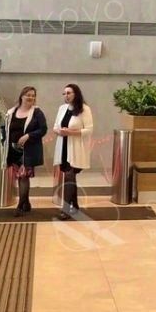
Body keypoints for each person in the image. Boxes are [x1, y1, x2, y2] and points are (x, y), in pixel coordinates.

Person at [52, 83, 94, 221]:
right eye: (64, 93)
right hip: (63, 146)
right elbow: (55, 127)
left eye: (69, 93)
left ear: (76, 94)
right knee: (70, 176)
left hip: (75, 148)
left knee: (69, 176)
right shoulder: (62, 108)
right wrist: (60, 131)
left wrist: (71, 132)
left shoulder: (84, 109)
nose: (66, 96)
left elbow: (89, 130)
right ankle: (74, 206)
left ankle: (66, 209)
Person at [5, 86, 48, 217]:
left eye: (33, 95)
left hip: (28, 151)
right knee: (20, 177)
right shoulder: (11, 112)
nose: (31, 97)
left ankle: (20, 206)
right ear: (21, 96)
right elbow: (6, 128)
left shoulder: (37, 112)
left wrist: (28, 136)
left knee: (24, 177)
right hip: (13, 151)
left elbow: (43, 129)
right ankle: (26, 203)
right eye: (28, 95)